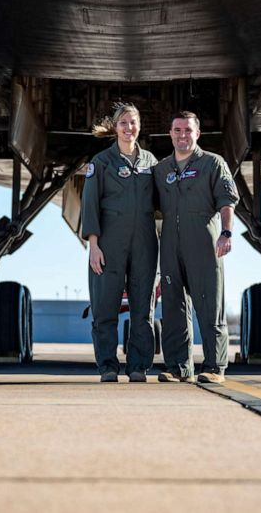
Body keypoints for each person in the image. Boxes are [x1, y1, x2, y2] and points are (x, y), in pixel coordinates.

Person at [154, 111, 239, 383]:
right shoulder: (162, 169)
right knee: (174, 308)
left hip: (203, 241)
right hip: (169, 244)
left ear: (197, 133)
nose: (182, 135)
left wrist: (226, 233)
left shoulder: (213, 163)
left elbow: (227, 200)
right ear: (170, 134)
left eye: (188, 130)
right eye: (177, 130)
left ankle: (215, 367)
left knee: (209, 304)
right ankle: (179, 366)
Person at [81, 103, 159, 383]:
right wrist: (94, 245)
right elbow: (89, 204)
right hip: (109, 243)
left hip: (145, 244)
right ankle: (108, 366)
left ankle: (138, 366)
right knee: (105, 307)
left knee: (143, 309)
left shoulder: (152, 162)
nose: (129, 128)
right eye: (124, 123)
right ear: (115, 127)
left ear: (140, 126)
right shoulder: (101, 163)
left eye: (133, 123)